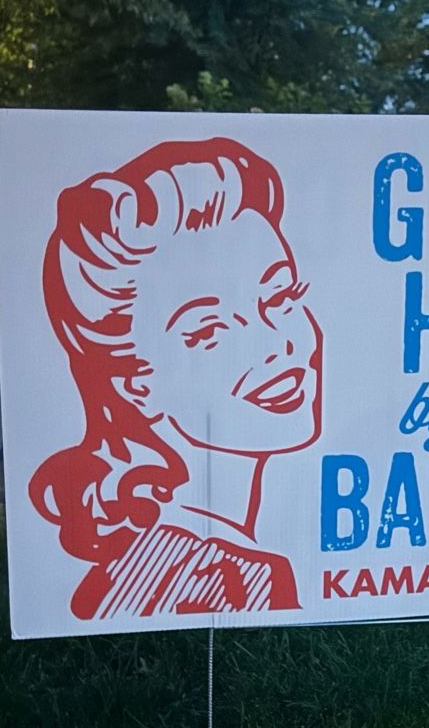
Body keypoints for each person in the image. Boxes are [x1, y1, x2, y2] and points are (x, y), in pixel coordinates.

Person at [31, 138, 323, 621]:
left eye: (280, 298)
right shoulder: (224, 578)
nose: (278, 344)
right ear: (133, 384)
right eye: (208, 329)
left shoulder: (170, 555)